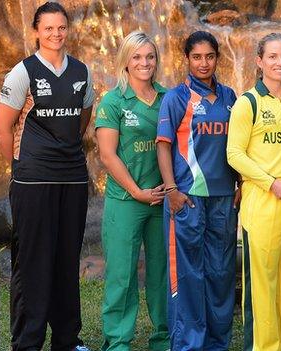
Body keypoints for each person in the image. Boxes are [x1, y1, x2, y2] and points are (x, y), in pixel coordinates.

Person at [0, 2, 94, 350]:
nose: (55, 34)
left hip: (73, 179)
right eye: (48, 28)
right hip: (33, 181)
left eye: (61, 27)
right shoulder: (23, 72)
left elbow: (82, 119)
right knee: (33, 263)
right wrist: (22, 165)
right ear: (36, 31)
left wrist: (64, 152)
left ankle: (67, 340)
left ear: (68, 29)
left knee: (67, 262)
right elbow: (1, 128)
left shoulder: (82, 71)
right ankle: (27, 341)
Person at [227, 32, 281, 351]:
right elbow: (234, 154)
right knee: (262, 282)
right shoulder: (247, 102)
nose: (280, 63)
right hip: (263, 200)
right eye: (273, 57)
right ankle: (265, 346)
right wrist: (270, 182)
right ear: (260, 61)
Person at [156, 31, 239, 350]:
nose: (204, 63)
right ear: (186, 59)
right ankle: (190, 344)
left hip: (223, 200)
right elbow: (163, 147)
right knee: (189, 277)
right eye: (197, 57)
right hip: (187, 199)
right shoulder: (176, 98)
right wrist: (172, 189)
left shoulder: (232, 97)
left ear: (218, 58)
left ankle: (218, 343)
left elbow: (239, 146)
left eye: (210, 56)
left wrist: (241, 184)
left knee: (220, 273)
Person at [95, 30, 169, 351]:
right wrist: (137, 191)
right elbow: (107, 155)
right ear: (125, 61)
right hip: (126, 200)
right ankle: (118, 342)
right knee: (122, 276)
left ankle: (164, 338)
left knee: (162, 275)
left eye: (149, 56)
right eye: (136, 57)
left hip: (163, 201)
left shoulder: (169, 98)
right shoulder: (113, 101)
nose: (144, 63)